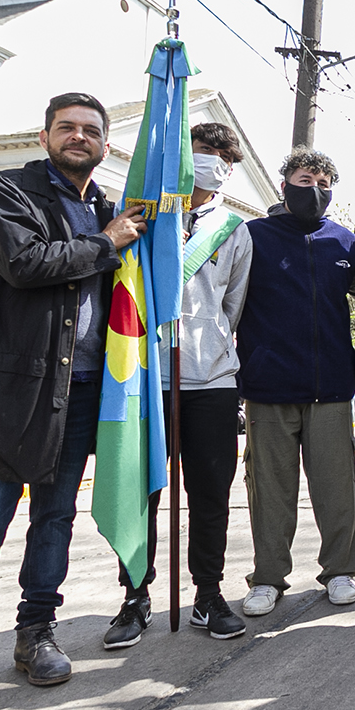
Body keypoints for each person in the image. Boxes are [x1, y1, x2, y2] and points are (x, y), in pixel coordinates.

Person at [0, 92, 148, 710]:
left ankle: (36, 633)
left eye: (90, 130)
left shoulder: (106, 207)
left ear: (104, 144)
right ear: (45, 137)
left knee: (54, 520)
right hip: (4, 393)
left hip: (79, 392)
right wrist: (108, 241)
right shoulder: (7, 191)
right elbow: (25, 264)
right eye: (66, 127)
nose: (78, 137)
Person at [104, 122, 255, 649]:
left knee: (211, 492)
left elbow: (232, 306)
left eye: (222, 157)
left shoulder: (235, 230)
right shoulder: (141, 214)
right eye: (203, 151)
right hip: (145, 378)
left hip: (210, 381)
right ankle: (135, 595)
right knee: (140, 492)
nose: (212, 162)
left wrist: (208, 345)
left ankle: (208, 593)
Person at [236, 147, 355, 617]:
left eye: (324, 183)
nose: (315, 189)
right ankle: (268, 578)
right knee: (270, 491)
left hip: (331, 387)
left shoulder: (345, 242)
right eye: (306, 180)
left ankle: (340, 570)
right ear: (284, 184)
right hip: (268, 387)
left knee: (337, 487)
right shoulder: (253, 236)